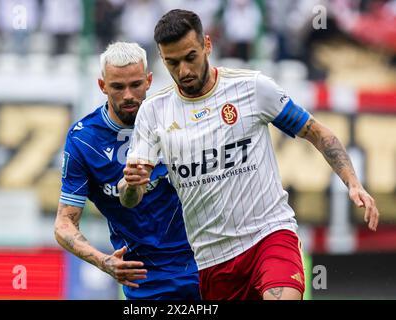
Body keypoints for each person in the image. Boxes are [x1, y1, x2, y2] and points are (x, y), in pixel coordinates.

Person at [119, 9, 380, 300]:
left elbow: (317, 132)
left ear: (207, 45)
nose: (184, 71)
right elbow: (131, 198)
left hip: (269, 235)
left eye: (190, 57)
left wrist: (353, 183)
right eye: (173, 62)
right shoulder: (154, 111)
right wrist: (131, 185)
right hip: (212, 260)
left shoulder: (252, 88)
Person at [54, 42, 200, 300]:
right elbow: (64, 223)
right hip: (145, 277)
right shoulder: (84, 140)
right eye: (118, 87)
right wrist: (103, 262)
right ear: (102, 86)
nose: (129, 95)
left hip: (205, 260)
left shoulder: (180, 120)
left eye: (135, 85)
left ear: (149, 81)